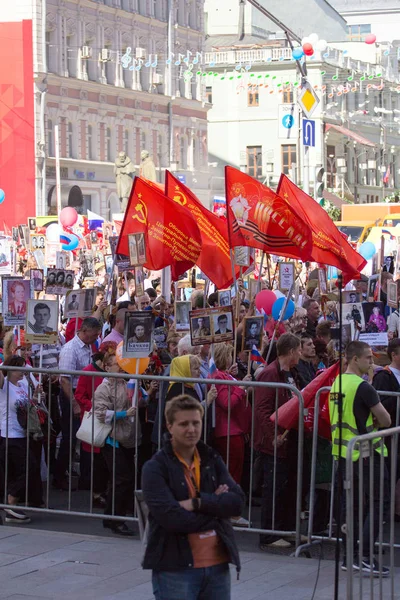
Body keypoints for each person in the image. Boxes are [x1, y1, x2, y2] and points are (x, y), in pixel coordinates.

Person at [142, 394, 245, 599]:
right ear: (170, 426)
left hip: (217, 565)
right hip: (176, 568)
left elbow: (237, 502)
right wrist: (216, 510)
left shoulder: (211, 458)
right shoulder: (155, 468)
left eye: (196, 423)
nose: (191, 429)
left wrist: (198, 502)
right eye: (184, 424)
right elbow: (172, 518)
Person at [329, 341, 391, 575]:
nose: (372, 363)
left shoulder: (337, 382)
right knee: (378, 503)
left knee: (351, 507)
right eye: (368, 359)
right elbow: (385, 420)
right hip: (365, 453)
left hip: (343, 453)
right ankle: (363, 556)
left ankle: (350, 557)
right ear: (354, 359)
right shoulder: (363, 387)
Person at [254, 333, 302, 549]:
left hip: (287, 439)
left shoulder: (289, 373)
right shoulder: (270, 374)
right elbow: (262, 409)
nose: (300, 353)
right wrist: (273, 434)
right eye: (299, 350)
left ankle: (284, 529)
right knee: (274, 488)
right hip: (273, 442)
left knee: (286, 487)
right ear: (291, 352)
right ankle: (269, 534)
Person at [94, 350, 139, 536]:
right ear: (106, 367)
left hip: (126, 438)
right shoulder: (103, 389)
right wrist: (123, 414)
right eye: (116, 365)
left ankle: (111, 517)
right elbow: (101, 414)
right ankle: (116, 519)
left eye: (122, 365)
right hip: (112, 439)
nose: (121, 368)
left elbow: (135, 402)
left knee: (121, 480)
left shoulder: (125, 383)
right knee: (122, 479)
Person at [53, 317, 102, 490]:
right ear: (86, 331)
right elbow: (65, 380)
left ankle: (85, 478)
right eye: (95, 334)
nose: (96, 337)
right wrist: (74, 404)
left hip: (83, 394)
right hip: (71, 395)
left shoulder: (88, 346)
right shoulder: (70, 349)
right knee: (70, 437)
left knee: (86, 436)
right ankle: (59, 476)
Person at [0, 356, 44, 523]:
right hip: (10, 436)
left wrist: (36, 396)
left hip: (23, 434)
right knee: (28, 468)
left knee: (26, 469)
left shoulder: (22, 385)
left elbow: (26, 406)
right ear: (10, 370)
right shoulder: (4, 386)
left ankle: (12, 506)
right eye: (19, 369)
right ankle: (10, 502)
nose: (23, 373)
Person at [211, 344, 252, 523]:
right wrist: (241, 388)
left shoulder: (226, 375)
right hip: (228, 431)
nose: (232, 359)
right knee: (231, 474)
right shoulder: (219, 377)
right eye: (230, 355)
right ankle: (230, 513)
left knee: (235, 472)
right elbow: (227, 403)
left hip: (236, 429)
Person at [74, 343, 117, 506]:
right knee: (97, 462)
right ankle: (96, 495)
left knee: (106, 462)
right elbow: (79, 395)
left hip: (109, 420)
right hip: (95, 421)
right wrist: (95, 406)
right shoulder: (87, 372)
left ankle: (103, 492)